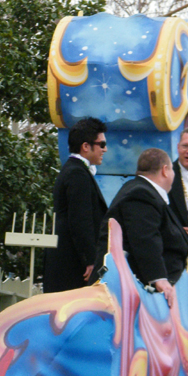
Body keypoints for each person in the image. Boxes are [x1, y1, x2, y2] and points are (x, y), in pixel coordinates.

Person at [90, 148, 188, 306]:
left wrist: (185, 245)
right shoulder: (141, 194)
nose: (173, 175)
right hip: (129, 297)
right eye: (172, 170)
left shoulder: (145, 192)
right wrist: (159, 279)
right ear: (165, 170)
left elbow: (156, 230)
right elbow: (145, 238)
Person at [43, 118, 109, 293]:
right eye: (101, 144)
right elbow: (80, 220)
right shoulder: (77, 174)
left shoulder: (74, 170)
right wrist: (89, 260)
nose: (105, 149)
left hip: (70, 262)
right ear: (86, 146)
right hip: (73, 265)